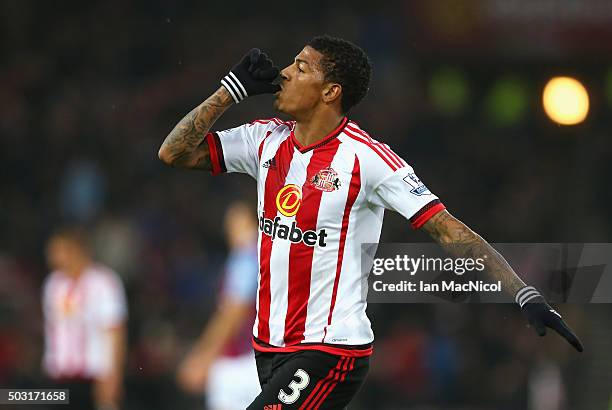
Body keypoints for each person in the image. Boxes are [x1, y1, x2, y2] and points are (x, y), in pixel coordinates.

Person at [158, 35, 583, 409]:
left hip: (330, 350)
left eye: (301, 67)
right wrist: (229, 93)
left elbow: (450, 230)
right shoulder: (264, 138)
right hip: (268, 346)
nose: (284, 73)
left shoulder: (368, 159)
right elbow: (173, 153)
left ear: (330, 92)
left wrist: (525, 295)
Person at [177, 201, 261, 409]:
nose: (232, 231)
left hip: (240, 363)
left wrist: (204, 356)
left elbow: (234, 311)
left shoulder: (246, 257)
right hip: (260, 360)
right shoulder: (265, 255)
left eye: (238, 223)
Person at [42, 227, 127, 410]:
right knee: (14, 398)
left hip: (92, 375)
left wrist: (113, 376)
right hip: (58, 375)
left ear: (76, 249)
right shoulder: (52, 284)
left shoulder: (104, 282)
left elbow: (115, 330)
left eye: (58, 250)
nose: (52, 256)